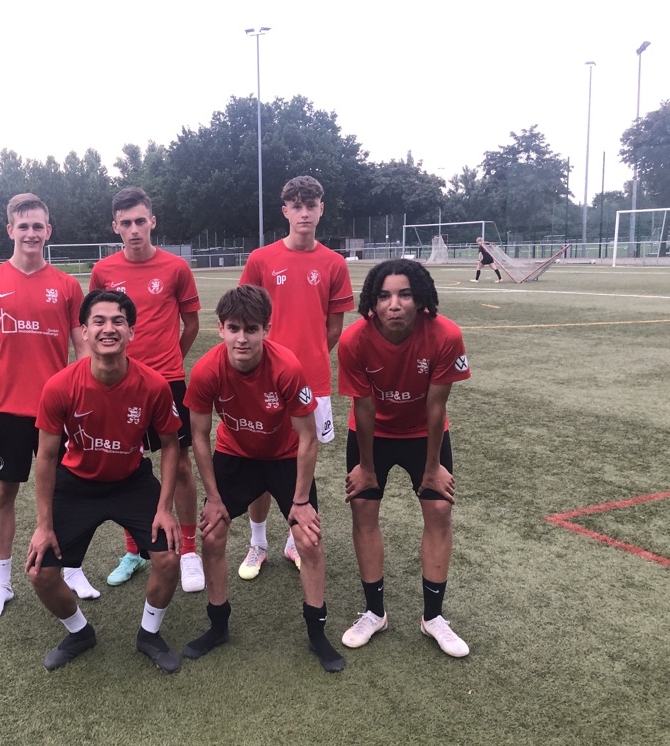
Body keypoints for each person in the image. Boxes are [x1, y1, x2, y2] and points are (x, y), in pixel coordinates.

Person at [182, 285, 345, 673]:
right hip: (236, 456)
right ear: (220, 328)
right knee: (212, 534)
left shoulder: (286, 367)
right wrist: (213, 497)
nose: (242, 338)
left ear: (266, 330)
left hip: (284, 457)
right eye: (234, 328)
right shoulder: (206, 370)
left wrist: (300, 502)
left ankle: (317, 632)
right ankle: (218, 625)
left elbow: (308, 437)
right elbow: (199, 437)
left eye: (251, 329)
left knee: (309, 539)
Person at [26, 290, 184, 673]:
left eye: (118, 321)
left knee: (168, 558)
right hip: (76, 484)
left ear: (131, 332)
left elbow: (170, 445)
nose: (108, 329)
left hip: (131, 481)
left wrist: (165, 508)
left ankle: (149, 634)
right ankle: (79, 633)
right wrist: (43, 525)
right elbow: (46, 458)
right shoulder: (60, 386)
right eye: (98, 321)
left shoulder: (153, 385)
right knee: (40, 573)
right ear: (84, 331)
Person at [69, 187, 204, 594]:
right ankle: (134, 551)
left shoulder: (176, 267)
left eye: (140, 221)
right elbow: (98, 323)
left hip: (167, 381)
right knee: (123, 462)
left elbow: (191, 324)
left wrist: (169, 363)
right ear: (115, 226)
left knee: (181, 465)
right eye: (125, 223)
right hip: (118, 383)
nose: (133, 229)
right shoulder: (103, 270)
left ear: (152, 222)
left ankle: (190, 551)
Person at [337, 259, 472, 658]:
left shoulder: (446, 335)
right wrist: (366, 468)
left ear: (421, 299)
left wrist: (432, 468)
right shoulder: (354, 340)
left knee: (439, 511)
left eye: (404, 294)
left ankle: (433, 618)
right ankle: (374, 613)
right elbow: (363, 407)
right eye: (384, 296)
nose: (393, 304)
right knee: (363, 509)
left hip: (423, 433)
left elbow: (436, 406)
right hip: (372, 434)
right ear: (372, 302)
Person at [0, 193, 89, 620]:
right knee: (3, 493)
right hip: (5, 409)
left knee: (66, 492)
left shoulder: (67, 285)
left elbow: (82, 348)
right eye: (24, 226)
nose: (31, 233)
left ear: (48, 231)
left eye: (38, 226)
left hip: (58, 410)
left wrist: (85, 399)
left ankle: (72, 569)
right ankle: (1, 583)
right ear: (10, 230)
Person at [236, 175, 354, 579]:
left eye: (311, 205)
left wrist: (305, 363)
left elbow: (333, 329)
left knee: (302, 460)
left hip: (312, 381)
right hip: (263, 381)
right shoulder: (261, 259)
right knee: (260, 461)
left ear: (322, 209)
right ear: (285, 211)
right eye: (297, 206)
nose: (304, 213)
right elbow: (246, 318)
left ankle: (292, 541)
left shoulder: (334, 263)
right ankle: (257, 542)